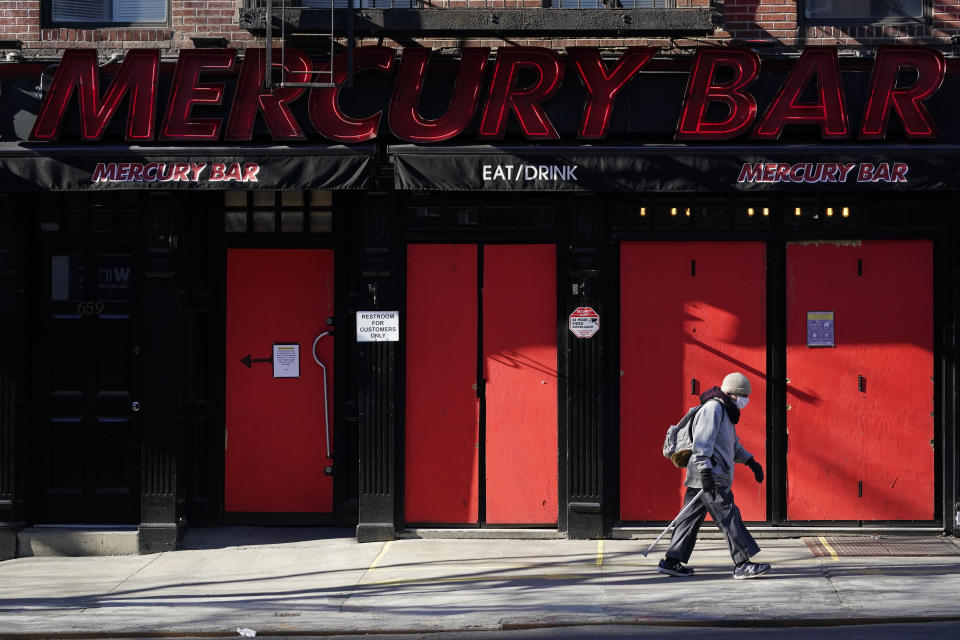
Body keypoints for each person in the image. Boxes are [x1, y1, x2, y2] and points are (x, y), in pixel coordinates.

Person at [657, 372, 771, 580]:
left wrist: (751, 462)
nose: (746, 400)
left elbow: (732, 445)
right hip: (710, 473)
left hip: (705, 474)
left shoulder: (725, 412)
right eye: (744, 395)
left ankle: (671, 561)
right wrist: (706, 471)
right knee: (729, 516)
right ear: (733, 394)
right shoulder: (714, 408)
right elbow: (702, 443)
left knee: (688, 519)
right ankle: (742, 563)